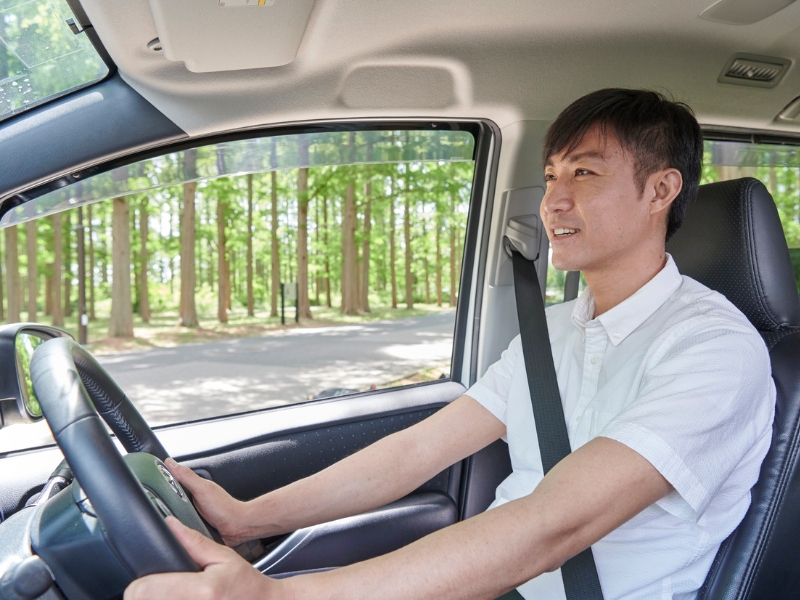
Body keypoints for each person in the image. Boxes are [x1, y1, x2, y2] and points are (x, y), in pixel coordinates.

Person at [125, 89, 775, 600]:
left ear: (661, 189)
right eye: (550, 177)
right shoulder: (555, 331)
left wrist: (282, 596)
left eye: (584, 173)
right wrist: (247, 519)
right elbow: (419, 449)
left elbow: (556, 522)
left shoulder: (714, 352)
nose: (554, 202)